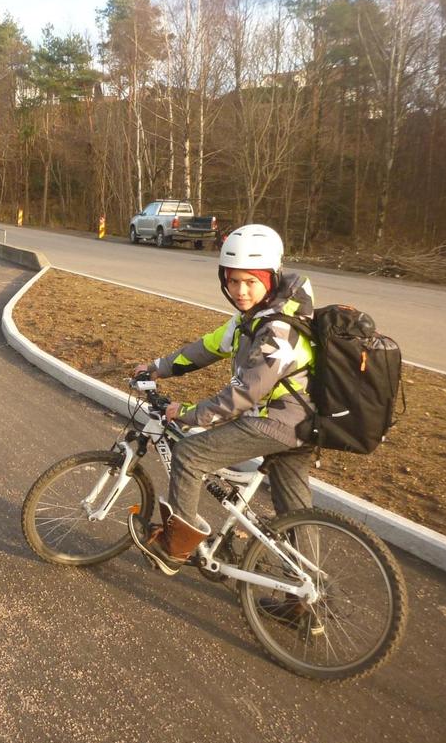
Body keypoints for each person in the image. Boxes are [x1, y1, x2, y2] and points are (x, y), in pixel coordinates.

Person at [128, 224, 317, 590]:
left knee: (190, 453)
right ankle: (308, 597)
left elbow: (244, 395)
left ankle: (174, 550)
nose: (241, 291)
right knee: (296, 514)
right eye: (233, 282)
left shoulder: (278, 331)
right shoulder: (257, 317)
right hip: (302, 423)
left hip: (276, 422)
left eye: (251, 281)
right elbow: (208, 346)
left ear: (270, 278)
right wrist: (157, 366)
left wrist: (188, 413)